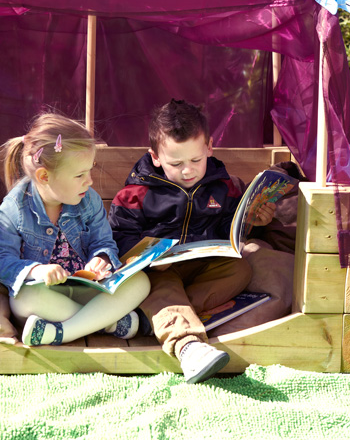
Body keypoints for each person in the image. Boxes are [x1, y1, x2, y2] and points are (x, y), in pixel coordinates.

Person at [108, 99, 275, 383]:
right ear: (156, 157)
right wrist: (146, 258)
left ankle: (151, 321)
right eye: (176, 163)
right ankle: (189, 346)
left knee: (240, 270)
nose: (188, 170)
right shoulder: (135, 194)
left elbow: (229, 229)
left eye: (196, 160)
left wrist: (255, 222)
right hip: (159, 272)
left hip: (202, 267)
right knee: (159, 285)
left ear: (209, 147)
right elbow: (119, 236)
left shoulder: (224, 187)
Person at [0, 113, 150, 346]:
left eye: (90, 171)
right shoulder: (14, 209)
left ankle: (62, 332)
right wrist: (37, 270)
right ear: (45, 176)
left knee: (140, 282)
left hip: (87, 291)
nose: (90, 181)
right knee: (22, 300)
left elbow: (103, 241)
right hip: (48, 295)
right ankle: (108, 323)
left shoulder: (89, 200)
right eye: (80, 175)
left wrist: (101, 258)